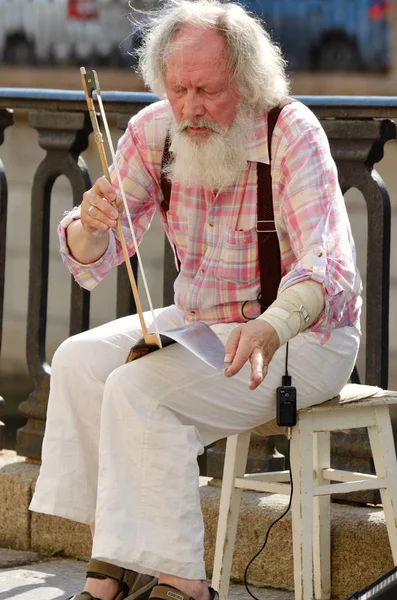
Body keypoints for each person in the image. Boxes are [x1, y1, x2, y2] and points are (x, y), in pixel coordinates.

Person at [29, 1, 362, 600]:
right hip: (202, 322)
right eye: (178, 89)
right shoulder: (156, 129)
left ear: (246, 81)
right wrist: (93, 224)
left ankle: (183, 586)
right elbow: (89, 254)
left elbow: (328, 266)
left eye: (207, 90)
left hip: (302, 335)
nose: (191, 108)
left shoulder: (291, 131)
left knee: (138, 390)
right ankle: (112, 565)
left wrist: (269, 326)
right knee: (78, 361)